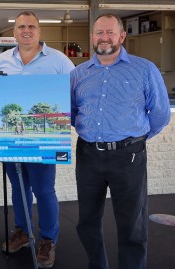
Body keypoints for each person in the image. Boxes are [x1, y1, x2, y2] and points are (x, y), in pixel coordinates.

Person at [71, 13, 171, 269]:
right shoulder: (78, 74)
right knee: (87, 221)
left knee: (132, 225)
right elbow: (71, 114)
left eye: (110, 32)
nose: (104, 37)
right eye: (99, 33)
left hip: (129, 156)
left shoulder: (144, 69)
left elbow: (159, 113)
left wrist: (135, 140)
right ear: (92, 37)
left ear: (121, 36)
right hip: (88, 155)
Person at [0, 11, 75, 268]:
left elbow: (76, 92)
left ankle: (48, 240)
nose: (26, 30)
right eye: (21, 27)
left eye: (31, 26)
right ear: (14, 31)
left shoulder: (59, 61)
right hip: (11, 139)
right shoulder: (2, 60)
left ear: (39, 31)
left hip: (44, 139)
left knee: (44, 191)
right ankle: (23, 233)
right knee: (19, 189)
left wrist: (63, 120)